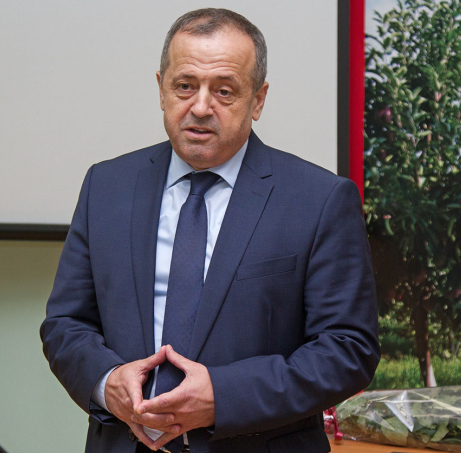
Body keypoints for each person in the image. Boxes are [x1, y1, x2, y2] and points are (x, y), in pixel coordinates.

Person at [41, 8, 380, 453]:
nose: (200, 107)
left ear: (258, 100)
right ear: (161, 89)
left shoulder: (320, 200)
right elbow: (66, 324)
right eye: (185, 86)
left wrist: (223, 397)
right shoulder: (106, 186)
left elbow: (348, 349)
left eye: (224, 90)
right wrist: (107, 383)